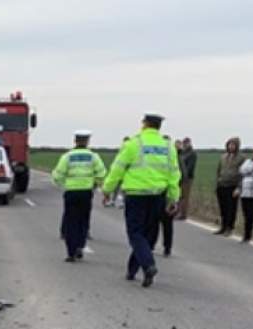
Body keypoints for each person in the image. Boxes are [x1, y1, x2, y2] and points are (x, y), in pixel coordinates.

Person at [101, 113, 181, 288]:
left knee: (136, 234)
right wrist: (173, 197)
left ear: (144, 124)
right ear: (159, 127)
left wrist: (107, 189)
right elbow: (174, 174)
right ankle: (132, 270)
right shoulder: (168, 146)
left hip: (136, 195)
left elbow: (117, 169)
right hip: (157, 195)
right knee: (148, 235)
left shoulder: (133, 144)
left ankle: (148, 265)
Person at [52, 129, 106, 262]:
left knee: (71, 222)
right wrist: (95, 183)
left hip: (71, 192)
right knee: (83, 221)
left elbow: (57, 175)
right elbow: (102, 173)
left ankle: (71, 252)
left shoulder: (67, 156)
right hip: (86, 192)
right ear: (87, 141)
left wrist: (63, 183)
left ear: (75, 141)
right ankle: (80, 247)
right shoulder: (93, 156)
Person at [214, 137, 243, 235]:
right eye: (229, 144)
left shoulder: (241, 158)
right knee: (223, 208)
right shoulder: (223, 157)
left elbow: (242, 174)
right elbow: (218, 170)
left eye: (233, 145)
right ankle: (223, 226)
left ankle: (230, 227)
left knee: (231, 208)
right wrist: (217, 182)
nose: (231, 147)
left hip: (232, 186)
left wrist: (239, 187)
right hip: (222, 184)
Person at [159, 136, 177, 256]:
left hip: (164, 193)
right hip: (164, 193)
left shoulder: (173, 158)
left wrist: (174, 198)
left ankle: (167, 246)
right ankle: (166, 247)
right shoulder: (171, 158)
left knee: (166, 223)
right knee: (164, 223)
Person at [177, 137, 197, 219]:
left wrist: (184, 175)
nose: (185, 144)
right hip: (180, 177)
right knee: (180, 196)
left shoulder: (192, 153)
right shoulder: (182, 153)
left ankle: (183, 214)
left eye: (187, 143)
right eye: (184, 143)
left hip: (187, 178)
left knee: (185, 196)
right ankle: (178, 212)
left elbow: (190, 167)